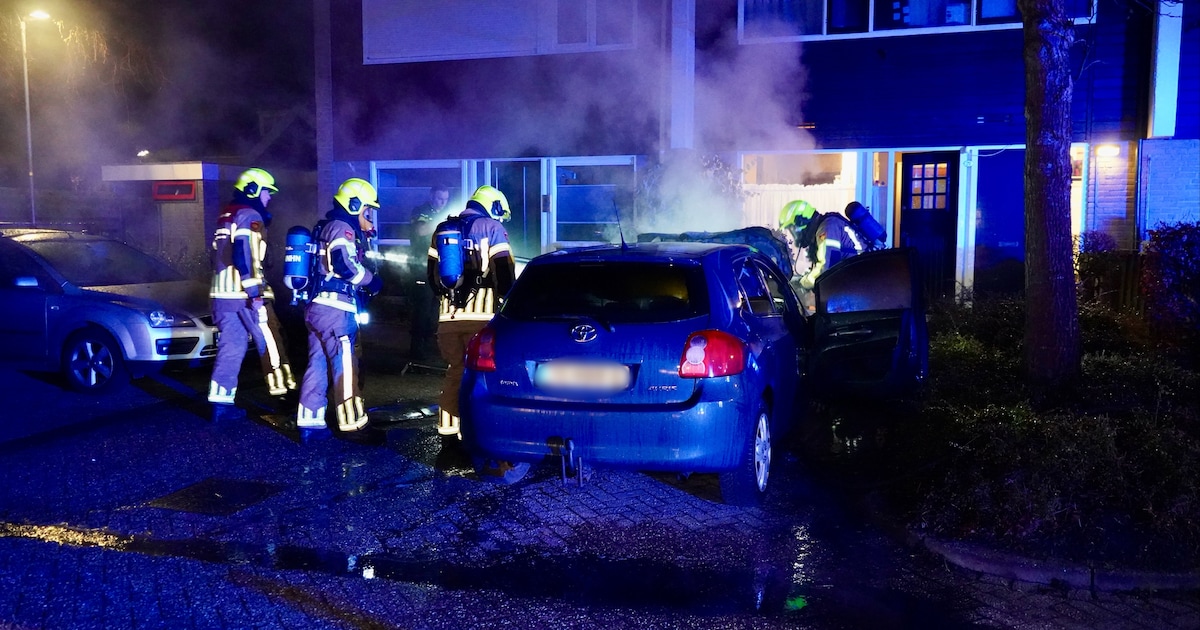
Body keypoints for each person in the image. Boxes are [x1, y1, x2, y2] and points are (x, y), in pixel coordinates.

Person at [428, 185, 517, 445]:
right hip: (482, 320)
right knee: (481, 377)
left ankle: (447, 433)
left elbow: (432, 278)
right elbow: (504, 273)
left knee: (455, 371)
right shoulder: (492, 228)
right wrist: (508, 303)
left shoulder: (442, 230)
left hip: (447, 321)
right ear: (495, 206)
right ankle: (478, 432)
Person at [207, 167, 296, 422]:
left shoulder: (225, 216)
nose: (269, 198)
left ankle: (221, 404)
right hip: (245, 295)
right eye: (267, 192)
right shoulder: (249, 214)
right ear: (253, 190)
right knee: (271, 343)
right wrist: (253, 290)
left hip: (221, 296)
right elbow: (243, 253)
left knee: (231, 348)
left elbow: (215, 256)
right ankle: (285, 395)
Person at [296, 178, 383, 432]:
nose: (369, 216)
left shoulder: (328, 227)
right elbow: (344, 265)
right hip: (335, 311)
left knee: (318, 363)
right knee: (345, 364)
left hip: (318, 308)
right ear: (355, 205)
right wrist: (371, 281)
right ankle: (353, 424)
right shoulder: (342, 227)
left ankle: (310, 421)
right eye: (367, 210)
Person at [778, 199, 864, 291]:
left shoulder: (828, 228)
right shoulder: (825, 226)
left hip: (860, 280)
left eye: (793, 229)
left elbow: (827, 269)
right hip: (856, 278)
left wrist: (802, 284)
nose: (794, 235)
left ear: (801, 221)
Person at [408, 185, 450, 363]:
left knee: (436, 311)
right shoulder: (421, 211)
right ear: (432, 196)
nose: (442, 203)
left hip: (439, 270)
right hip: (422, 268)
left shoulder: (445, 213)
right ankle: (417, 351)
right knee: (422, 310)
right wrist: (442, 220)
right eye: (440, 199)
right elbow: (421, 231)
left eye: (445, 200)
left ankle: (431, 349)